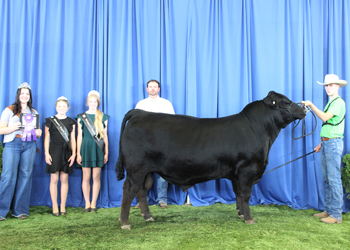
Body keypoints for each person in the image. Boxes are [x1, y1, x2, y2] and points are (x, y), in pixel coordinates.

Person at [302, 74, 347, 224]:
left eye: (331, 85)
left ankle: (336, 215)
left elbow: (325, 118)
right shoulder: (332, 102)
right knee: (328, 179)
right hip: (328, 143)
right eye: (326, 85)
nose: (328, 88)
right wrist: (322, 143)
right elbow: (331, 125)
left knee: (334, 180)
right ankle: (328, 210)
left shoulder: (338, 102)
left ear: (338, 86)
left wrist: (311, 105)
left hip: (333, 144)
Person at [0, 82, 42, 221]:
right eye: (22, 93)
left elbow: (37, 132)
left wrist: (39, 132)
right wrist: (14, 128)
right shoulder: (9, 110)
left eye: (27, 94)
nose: (25, 96)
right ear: (18, 95)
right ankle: (1, 211)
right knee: (8, 176)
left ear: (30, 97)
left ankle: (20, 210)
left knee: (26, 175)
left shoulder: (33, 112)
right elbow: (1, 129)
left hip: (29, 145)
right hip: (13, 143)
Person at [134, 79, 175, 209]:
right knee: (143, 171)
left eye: (155, 87)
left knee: (162, 170)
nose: (152, 89)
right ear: (147, 89)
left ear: (159, 89)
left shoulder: (166, 104)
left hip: (162, 141)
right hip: (144, 142)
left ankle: (162, 200)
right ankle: (142, 200)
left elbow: (173, 122)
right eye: (150, 87)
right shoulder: (141, 104)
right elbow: (135, 123)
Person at [76, 91, 109, 213]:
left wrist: (106, 152)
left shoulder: (103, 117)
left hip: (98, 148)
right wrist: (78, 153)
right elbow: (79, 136)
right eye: (91, 101)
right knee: (86, 177)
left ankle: (94, 203)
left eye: (95, 102)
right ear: (87, 103)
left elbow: (105, 136)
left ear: (98, 103)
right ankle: (87, 203)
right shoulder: (81, 117)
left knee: (96, 177)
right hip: (86, 148)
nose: (93, 103)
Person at [44, 97, 76, 216]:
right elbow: (47, 138)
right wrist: (46, 153)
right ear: (56, 107)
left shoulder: (71, 122)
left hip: (66, 151)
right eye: (59, 106)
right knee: (54, 179)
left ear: (68, 108)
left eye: (64, 106)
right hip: (54, 151)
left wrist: (74, 154)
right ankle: (54, 206)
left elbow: (73, 139)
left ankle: (62, 205)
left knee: (64, 179)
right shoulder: (49, 120)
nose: (61, 108)